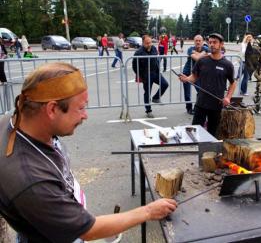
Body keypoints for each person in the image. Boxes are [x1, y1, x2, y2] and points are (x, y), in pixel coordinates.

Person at [0, 62, 177, 243]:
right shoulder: (32, 181)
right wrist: (148, 211)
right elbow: (87, 231)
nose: (85, 115)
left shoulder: (19, 122)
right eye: (81, 108)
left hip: (52, 220)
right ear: (52, 109)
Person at [178, 33, 236, 137]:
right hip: (201, 103)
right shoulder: (202, 61)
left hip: (216, 104)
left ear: (221, 44)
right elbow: (194, 76)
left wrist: (228, 97)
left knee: (212, 134)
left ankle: (210, 152)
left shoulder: (227, 64)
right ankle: (198, 152)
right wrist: (186, 79)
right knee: (194, 132)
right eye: (210, 42)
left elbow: (233, 83)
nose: (212, 45)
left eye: (215, 42)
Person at [133, 35, 169, 118]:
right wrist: (141, 75)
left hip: (155, 72)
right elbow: (135, 66)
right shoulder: (139, 52)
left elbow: (155, 56)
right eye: (147, 43)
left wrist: (150, 49)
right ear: (143, 43)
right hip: (146, 75)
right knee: (147, 93)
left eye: (150, 42)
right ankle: (148, 110)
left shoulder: (153, 48)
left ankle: (156, 98)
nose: (149, 44)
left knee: (165, 84)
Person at [182, 35, 209, 115]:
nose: (198, 42)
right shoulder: (190, 49)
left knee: (200, 91)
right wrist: (203, 54)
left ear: (202, 41)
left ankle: (196, 108)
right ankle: (189, 108)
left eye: (199, 40)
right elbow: (197, 59)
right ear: (194, 42)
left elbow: (201, 56)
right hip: (187, 72)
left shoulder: (206, 48)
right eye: (196, 40)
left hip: (197, 74)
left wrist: (197, 53)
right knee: (187, 92)